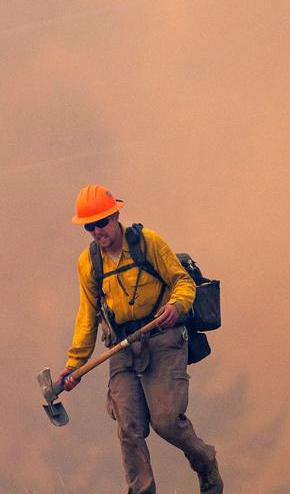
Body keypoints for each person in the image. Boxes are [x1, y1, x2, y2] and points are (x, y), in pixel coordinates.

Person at [58, 184, 222, 494]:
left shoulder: (148, 243)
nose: (97, 231)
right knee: (128, 427)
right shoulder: (89, 262)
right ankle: (140, 490)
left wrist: (176, 306)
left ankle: (206, 463)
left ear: (116, 215)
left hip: (164, 337)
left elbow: (183, 282)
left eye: (102, 222)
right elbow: (86, 315)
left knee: (166, 421)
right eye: (89, 226)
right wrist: (74, 364)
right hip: (121, 346)